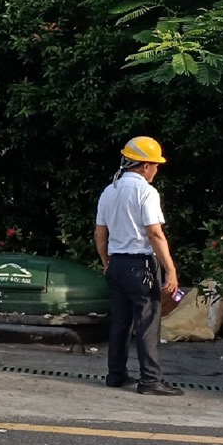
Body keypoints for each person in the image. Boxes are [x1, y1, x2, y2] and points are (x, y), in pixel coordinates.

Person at [94, 136, 183, 396]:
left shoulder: (109, 190)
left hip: (116, 264)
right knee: (147, 321)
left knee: (120, 321)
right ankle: (150, 380)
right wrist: (171, 269)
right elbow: (154, 233)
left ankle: (116, 374)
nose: (156, 170)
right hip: (140, 264)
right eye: (155, 165)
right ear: (145, 166)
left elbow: (100, 233)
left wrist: (106, 262)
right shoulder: (146, 192)